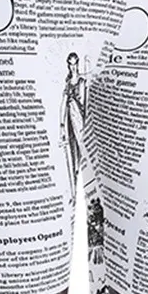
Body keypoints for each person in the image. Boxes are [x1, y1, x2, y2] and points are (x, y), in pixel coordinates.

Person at [59, 52, 87, 201]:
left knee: (82, 154)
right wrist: (61, 126)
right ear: (68, 65)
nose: (73, 67)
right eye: (71, 64)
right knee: (72, 155)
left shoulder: (82, 81)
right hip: (70, 122)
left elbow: (84, 103)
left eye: (75, 63)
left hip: (80, 121)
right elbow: (63, 105)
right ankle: (74, 194)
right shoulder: (68, 83)